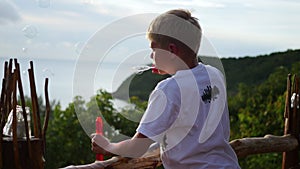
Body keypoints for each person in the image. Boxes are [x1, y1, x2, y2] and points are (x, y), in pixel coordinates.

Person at [90, 9, 241, 169]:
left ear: (171, 50)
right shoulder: (215, 74)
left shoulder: (169, 90)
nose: (151, 56)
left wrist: (108, 146)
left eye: (154, 50)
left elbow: (137, 147)